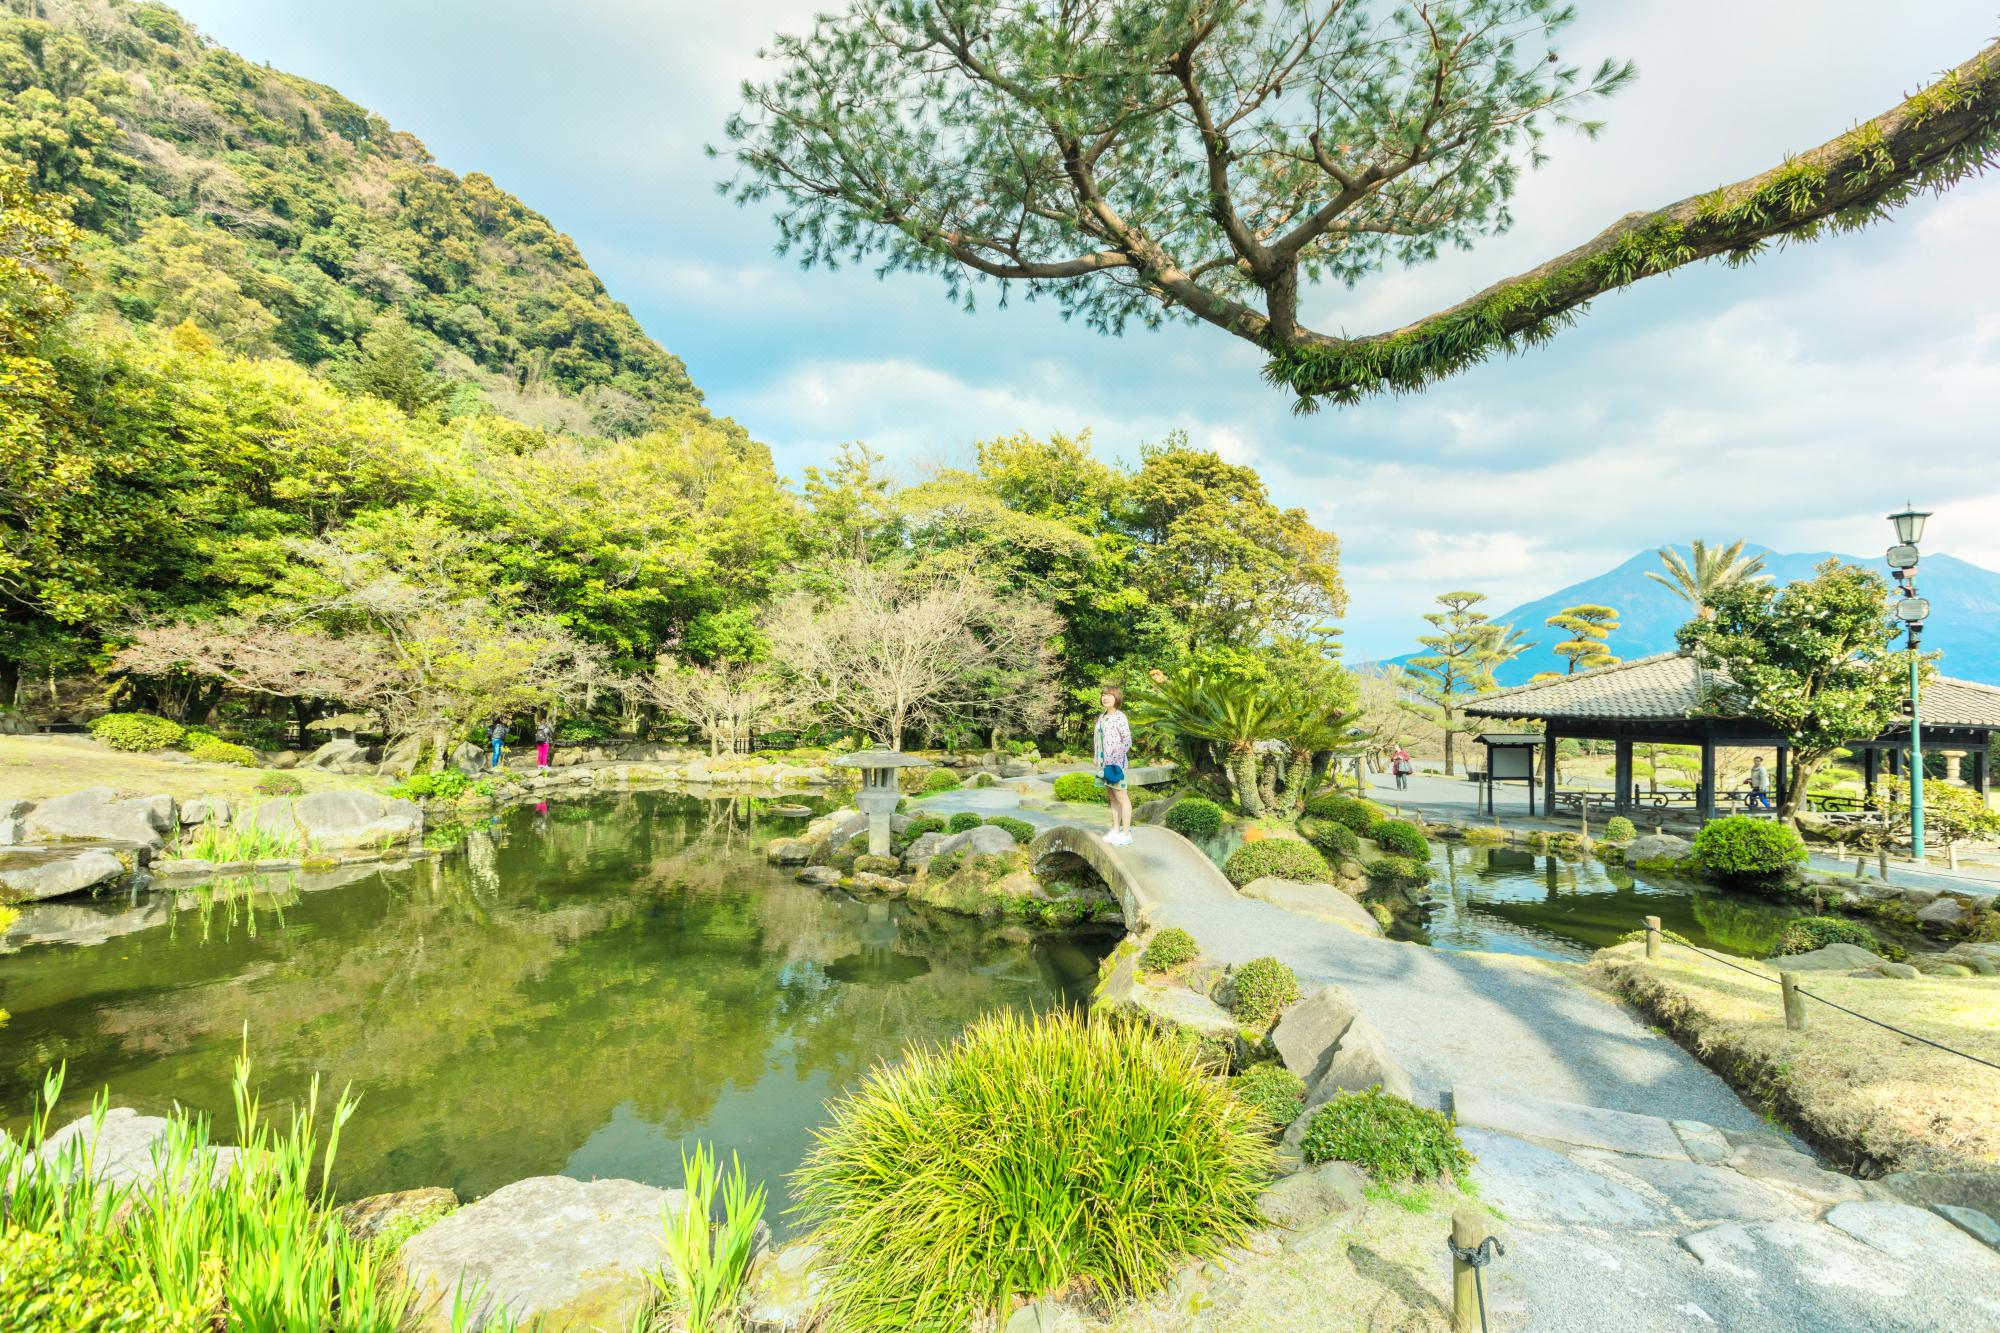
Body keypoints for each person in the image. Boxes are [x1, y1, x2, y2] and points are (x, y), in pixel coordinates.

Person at [1094, 685, 1134, 846]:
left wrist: (1116, 761)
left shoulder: (1120, 717)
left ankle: (1126, 833)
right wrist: (1097, 759)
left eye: (1109, 695)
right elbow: (1099, 740)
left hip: (1116, 765)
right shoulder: (1102, 717)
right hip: (1104, 765)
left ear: (1116, 698)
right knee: (1112, 798)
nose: (1105, 698)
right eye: (1103, 695)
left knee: (1122, 798)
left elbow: (1127, 741)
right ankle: (1115, 829)